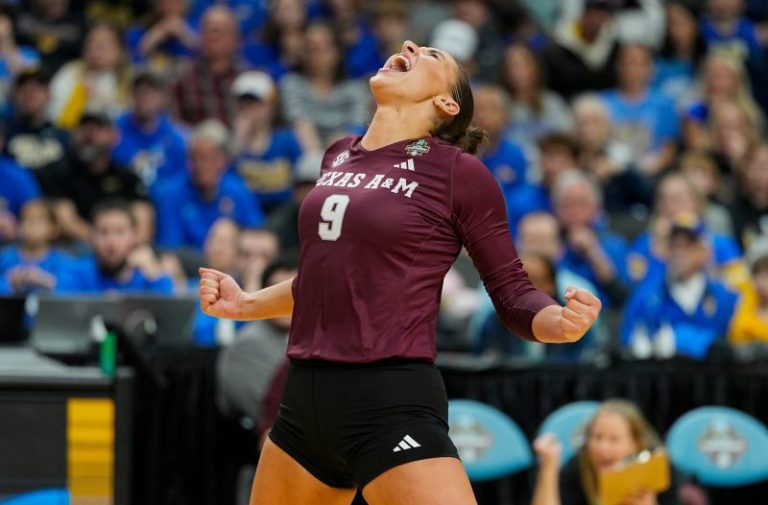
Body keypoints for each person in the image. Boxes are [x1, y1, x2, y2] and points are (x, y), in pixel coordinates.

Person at [199, 40, 602, 505]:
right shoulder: (338, 154)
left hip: (388, 398)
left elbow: (512, 292)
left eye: (433, 55)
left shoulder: (458, 173)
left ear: (446, 103)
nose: (410, 46)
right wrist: (246, 304)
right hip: (305, 400)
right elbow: (328, 279)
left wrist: (560, 323)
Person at [621, 215, 738, 360]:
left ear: (704, 252)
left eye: (688, 246)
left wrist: (683, 338)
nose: (679, 253)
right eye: (674, 246)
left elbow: (739, 344)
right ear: (665, 251)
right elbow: (628, 339)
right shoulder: (647, 296)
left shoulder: (724, 297)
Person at [532, 399, 678, 505]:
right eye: (597, 437)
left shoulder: (658, 471)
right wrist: (548, 468)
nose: (603, 448)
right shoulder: (577, 469)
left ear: (636, 444)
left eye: (614, 439)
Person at [153, 119, 265, 250]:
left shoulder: (238, 190)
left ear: (224, 161)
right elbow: (171, 249)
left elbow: (257, 235)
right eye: (195, 158)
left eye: (208, 158)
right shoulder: (171, 195)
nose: (201, 166)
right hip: (188, 262)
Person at [62, 199, 173, 294]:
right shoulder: (76, 271)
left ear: (134, 235)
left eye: (120, 231)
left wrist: (155, 274)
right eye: (103, 232)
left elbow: (169, 307)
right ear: (91, 236)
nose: (111, 242)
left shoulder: (146, 273)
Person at [112, 70, 188, 189]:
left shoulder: (176, 136)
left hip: (162, 196)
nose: (143, 98)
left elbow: (182, 178)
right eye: (139, 92)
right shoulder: (115, 130)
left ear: (163, 98)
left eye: (150, 93)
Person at [0, 200, 76, 294]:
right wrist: (9, 282)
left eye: (37, 220)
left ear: (54, 228)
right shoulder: (6, 257)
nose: (30, 224)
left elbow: (71, 291)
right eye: (25, 219)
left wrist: (43, 280)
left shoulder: (62, 261)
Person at [3, 69, 69, 171]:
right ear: (14, 95)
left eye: (36, 89)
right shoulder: (4, 132)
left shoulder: (62, 136)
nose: (29, 94)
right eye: (24, 90)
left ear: (49, 95)